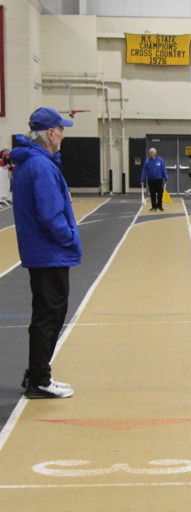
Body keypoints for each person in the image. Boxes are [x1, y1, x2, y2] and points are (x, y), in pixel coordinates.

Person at [11, 107, 81, 399]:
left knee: (47, 313)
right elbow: (50, 214)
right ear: (50, 133)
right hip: (49, 251)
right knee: (49, 315)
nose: (63, 135)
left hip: (42, 250)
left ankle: (38, 374)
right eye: (60, 130)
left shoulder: (33, 163)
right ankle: (39, 379)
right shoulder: (41, 166)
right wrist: (69, 238)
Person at [140, 147, 169, 211]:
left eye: (151, 152)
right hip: (151, 179)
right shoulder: (147, 161)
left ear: (155, 153)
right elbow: (144, 171)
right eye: (149, 152)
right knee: (152, 193)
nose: (150, 153)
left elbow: (163, 170)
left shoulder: (160, 160)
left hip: (159, 179)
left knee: (160, 193)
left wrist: (166, 178)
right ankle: (154, 207)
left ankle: (159, 205)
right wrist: (142, 180)